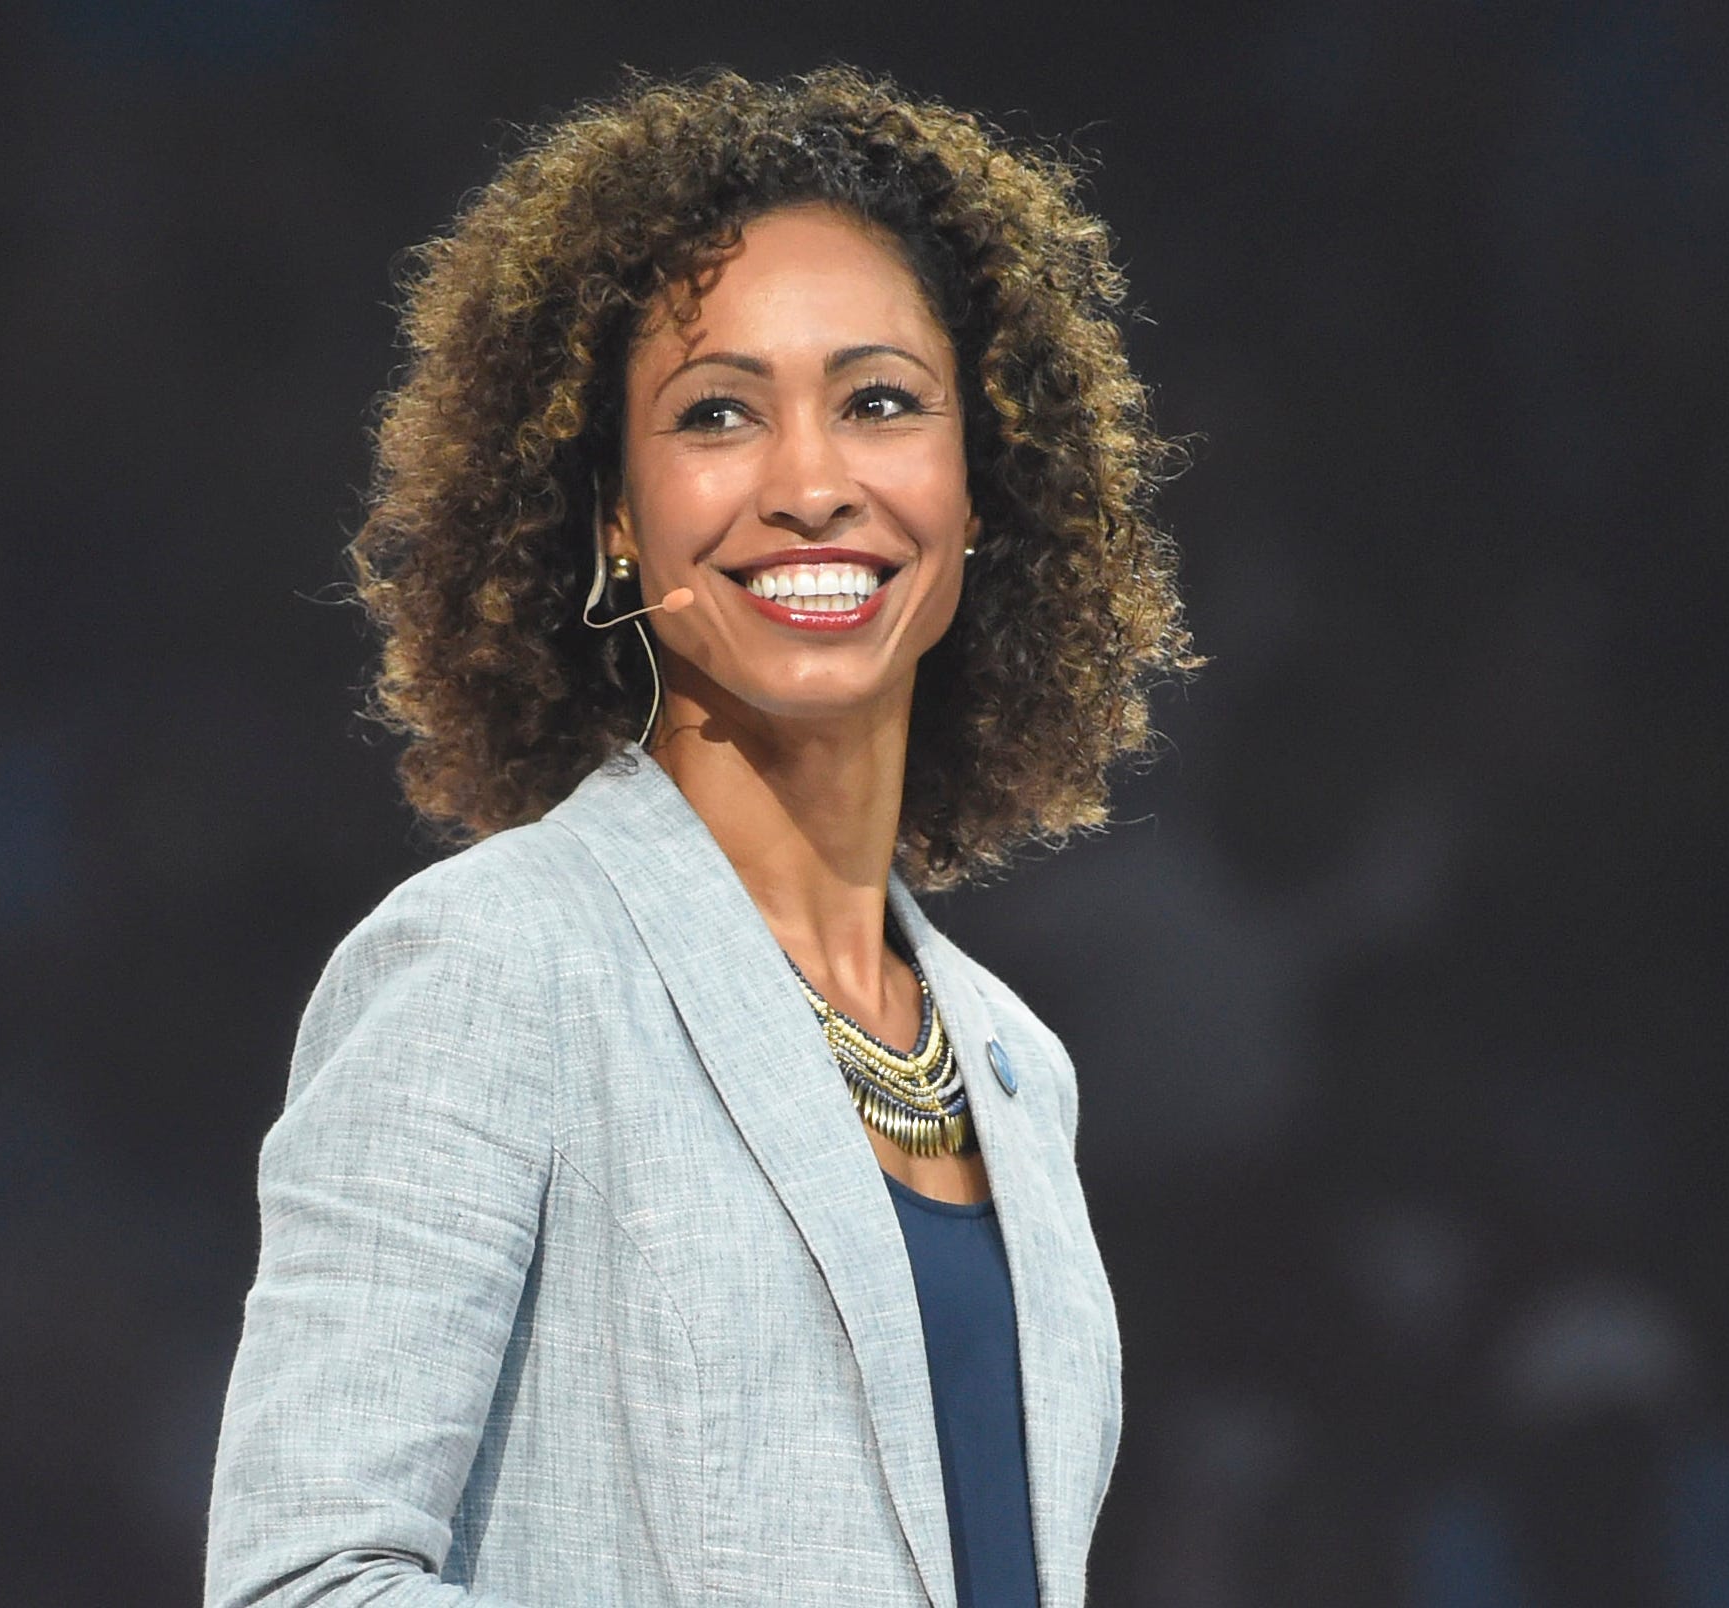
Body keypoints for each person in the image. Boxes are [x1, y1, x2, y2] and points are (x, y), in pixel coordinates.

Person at [205, 67, 1189, 1608]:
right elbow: (305, 1582)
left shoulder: (1013, 1064)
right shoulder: (496, 966)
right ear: (611, 510)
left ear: (978, 487)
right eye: (717, 414)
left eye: (879, 402)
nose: (810, 485)